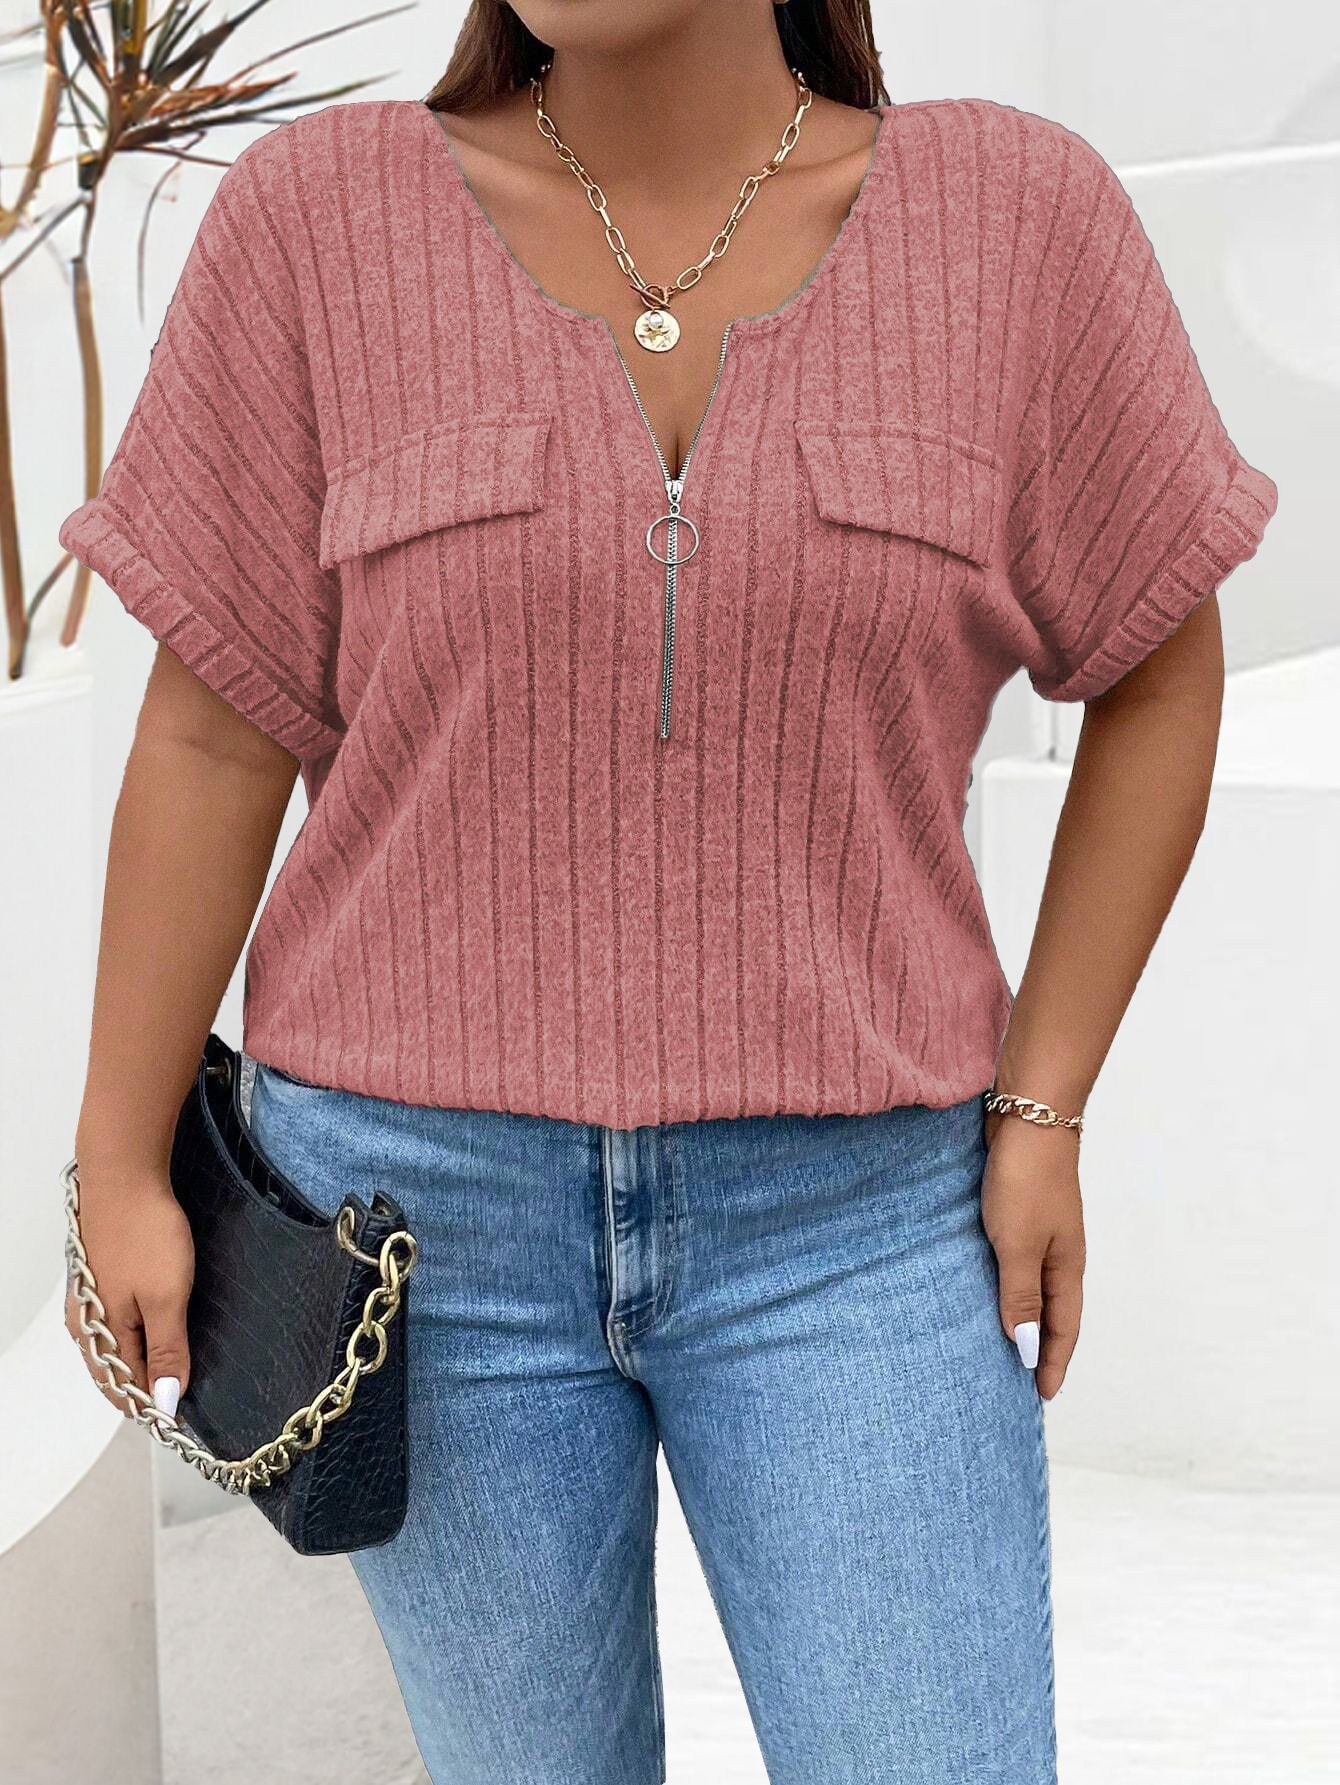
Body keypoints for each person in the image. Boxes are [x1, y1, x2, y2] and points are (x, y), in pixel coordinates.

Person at [58, 2, 1276, 1780]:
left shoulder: (1019, 222)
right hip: (416, 1236)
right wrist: (115, 1155)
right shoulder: (316, 223)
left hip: (866, 1219)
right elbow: (210, 737)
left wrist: (1044, 1101)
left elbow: (1159, 666)